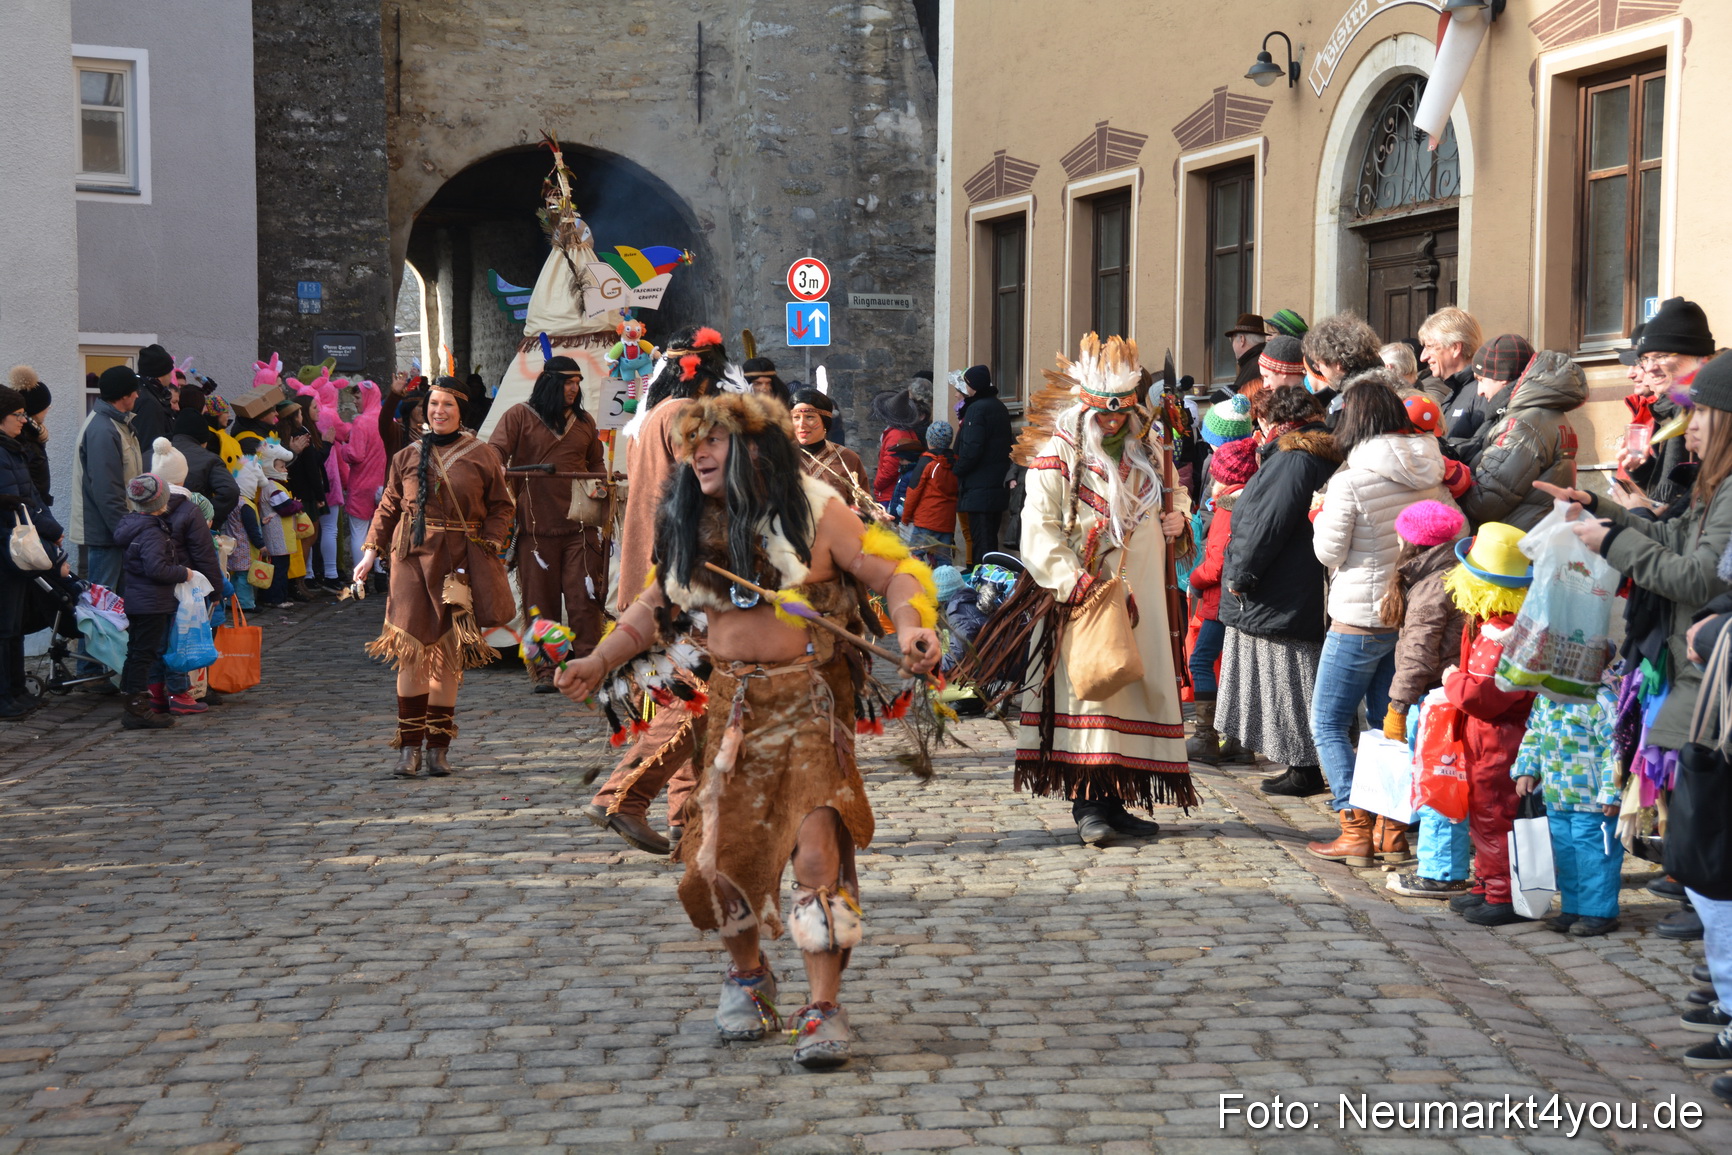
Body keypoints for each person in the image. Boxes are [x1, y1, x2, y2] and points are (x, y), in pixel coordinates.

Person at [555, 391, 941, 1068]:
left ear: (753, 447)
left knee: (818, 853)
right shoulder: (684, 520)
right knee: (717, 865)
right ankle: (748, 975)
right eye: (690, 442)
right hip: (733, 706)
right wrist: (597, 660)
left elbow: (895, 571)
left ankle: (824, 1004)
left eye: (714, 440)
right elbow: (652, 606)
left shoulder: (817, 510)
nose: (697, 452)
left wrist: (913, 626)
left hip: (811, 702)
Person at [1537, 357, 1732, 941]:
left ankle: (1717, 961)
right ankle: (1716, 967)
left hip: (1709, 677)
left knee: (1705, 836)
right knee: (1701, 835)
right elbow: (1675, 537)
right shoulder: (1714, 484)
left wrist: (1615, 541)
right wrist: (1604, 511)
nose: (1687, 426)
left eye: (1698, 415)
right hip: (1693, 675)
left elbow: (1699, 578)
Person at [1012, 334, 1194, 846]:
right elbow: (1037, 530)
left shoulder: (1150, 449)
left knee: (1137, 689)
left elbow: (1174, 494)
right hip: (1086, 597)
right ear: (1084, 408)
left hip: (1148, 601)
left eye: (1120, 415)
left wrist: (1180, 519)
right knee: (1093, 692)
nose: (1112, 423)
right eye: (1103, 416)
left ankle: (1118, 799)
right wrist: (1076, 582)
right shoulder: (1058, 456)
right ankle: (1088, 803)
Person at [586, 326, 733, 854]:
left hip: (667, 572)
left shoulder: (653, 417)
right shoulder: (681, 418)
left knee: (700, 695)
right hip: (683, 577)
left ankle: (681, 817)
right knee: (696, 693)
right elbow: (702, 497)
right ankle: (625, 796)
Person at [1306, 372, 1455, 863]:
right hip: (1407, 616)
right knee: (1386, 725)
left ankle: (1353, 824)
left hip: (1358, 617)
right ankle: (1390, 832)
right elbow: (1455, 531)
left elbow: (1329, 552)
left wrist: (1322, 512)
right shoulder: (1432, 469)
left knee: (1327, 720)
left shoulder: (1350, 480)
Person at [353, 379, 516, 778]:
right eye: (433, 404)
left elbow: (501, 506)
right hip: (410, 559)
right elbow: (390, 505)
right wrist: (370, 551)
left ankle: (438, 751)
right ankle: (408, 749)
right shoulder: (406, 455)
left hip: (459, 559)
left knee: (445, 657)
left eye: (446, 405)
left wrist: (491, 543)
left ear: (461, 412)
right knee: (411, 653)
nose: (438, 411)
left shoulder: (482, 455)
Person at [1218, 386, 1342, 797]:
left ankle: (1304, 767)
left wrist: (1240, 573)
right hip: (1296, 584)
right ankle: (1301, 764)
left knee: (1288, 679)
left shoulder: (1293, 459)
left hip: (1282, 587)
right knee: (1292, 679)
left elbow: (1265, 525)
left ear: (1275, 423)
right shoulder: (1315, 454)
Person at [1437, 524, 1538, 926]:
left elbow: (1484, 696)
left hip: (1498, 740)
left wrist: (1451, 682)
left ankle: (1503, 894)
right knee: (1485, 813)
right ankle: (1487, 883)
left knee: (1495, 814)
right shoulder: (1501, 627)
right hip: (1493, 737)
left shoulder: (1500, 635)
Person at [487, 356, 607, 688]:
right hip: (535, 531)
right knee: (540, 604)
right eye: (568, 383)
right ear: (551, 383)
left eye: (578, 382)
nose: (575, 389)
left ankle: (587, 666)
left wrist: (600, 483)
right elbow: (495, 450)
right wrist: (496, 466)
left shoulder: (584, 422)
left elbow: (597, 463)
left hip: (580, 528)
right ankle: (545, 670)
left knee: (585, 600)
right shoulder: (518, 416)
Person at [1379, 501, 1475, 900]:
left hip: (1437, 700)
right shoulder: (1451, 574)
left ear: (1411, 540)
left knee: (1440, 788)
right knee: (1449, 787)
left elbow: (1419, 652)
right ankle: (1445, 866)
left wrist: (1397, 706)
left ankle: (1441, 873)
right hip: (1450, 695)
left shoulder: (1434, 585)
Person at [1511, 674, 1624, 937]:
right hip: (1557, 797)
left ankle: (1598, 912)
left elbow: (1616, 747)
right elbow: (1534, 735)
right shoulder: (1546, 699)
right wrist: (1527, 769)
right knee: (1566, 855)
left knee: (1594, 855)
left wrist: (1611, 790)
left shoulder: (1599, 699)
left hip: (1593, 801)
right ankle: (1573, 908)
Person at [1184, 436, 1258, 764]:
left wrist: (1195, 581)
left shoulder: (1229, 507)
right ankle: (1239, 742)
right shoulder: (1250, 499)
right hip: (1235, 601)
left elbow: (1216, 565)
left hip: (1219, 602)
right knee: (1233, 666)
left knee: (1201, 661)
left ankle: (1206, 737)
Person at [1457, 348, 1586, 531]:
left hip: (1516, 540)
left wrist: (1456, 477)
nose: (1479, 391)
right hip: (1536, 531)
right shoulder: (1546, 415)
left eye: (1481, 380)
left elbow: (1486, 502)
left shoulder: (1524, 425)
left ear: (1501, 378)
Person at [0, 382, 67, 718]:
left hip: (14, 552)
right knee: (4, 628)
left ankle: (14, 690)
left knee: (13, 627)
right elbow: (18, 507)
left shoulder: (13, 448)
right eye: (17, 414)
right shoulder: (3, 453)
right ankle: (5, 696)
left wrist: (52, 532)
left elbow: (32, 499)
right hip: (6, 550)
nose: (23, 420)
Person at [114, 474, 200, 731]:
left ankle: (133, 701)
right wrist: (184, 573)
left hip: (139, 600)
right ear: (161, 502)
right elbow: (157, 569)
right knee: (144, 654)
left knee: (137, 652)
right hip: (151, 602)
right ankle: (137, 708)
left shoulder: (133, 525)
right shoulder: (151, 532)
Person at [1621, 297, 1714, 508]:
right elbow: (1671, 503)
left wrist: (1640, 513)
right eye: (1645, 359)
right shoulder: (1670, 411)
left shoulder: (1717, 412)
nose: (1650, 368)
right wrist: (1643, 469)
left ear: (1698, 358)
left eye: (1661, 356)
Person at [73, 366, 145, 599]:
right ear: (123, 395)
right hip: (108, 535)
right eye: (134, 391)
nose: (137, 395)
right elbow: (108, 491)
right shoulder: (104, 430)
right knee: (101, 608)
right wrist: (126, 533)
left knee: (109, 605)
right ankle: (91, 639)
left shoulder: (117, 424)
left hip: (115, 531)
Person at [952, 364, 1013, 566]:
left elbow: (972, 448)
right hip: (995, 485)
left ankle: (984, 586)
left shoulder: (977, 409)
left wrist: (957, 470)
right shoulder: (998, 406)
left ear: (973, 386)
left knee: (982, 543)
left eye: (966, 383)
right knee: (989, 539)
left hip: (979, 487)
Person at [339, 380, 389, 593]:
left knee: (359, 532)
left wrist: (343, 449)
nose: (355, 402)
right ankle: (380, 574)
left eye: (358, 398)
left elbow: (356, 454)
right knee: (380, 530)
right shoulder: (388, 420)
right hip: (383, 483)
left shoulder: (361, 422)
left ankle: (360, 580)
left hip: (362, 484)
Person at [789, 388, 871, 505]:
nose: (801, 424)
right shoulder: (780, 457)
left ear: (825, 421)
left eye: (810, 417)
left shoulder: (847, 459)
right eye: (796, 417)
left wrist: (874, 517)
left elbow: (862, 507)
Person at [168, 410, 240, 532]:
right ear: (203, 440)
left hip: (151, 533)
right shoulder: (209, 459)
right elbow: (230, 491)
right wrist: (206, 518)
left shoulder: (148, 455)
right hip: (190, 533)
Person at [899, 420, 959, 564]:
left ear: (929, 440)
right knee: (943, 561)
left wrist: (906, 516)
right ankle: (946, 585)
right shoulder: (955, 463)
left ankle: (915, 585)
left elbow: (914, 491)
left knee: (915, 557)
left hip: (926, 520)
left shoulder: (926, 462)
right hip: (946, 522)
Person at [1300, 312, 1382, 411]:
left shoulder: (1345, 406)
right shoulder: (1391, 387)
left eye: (1318, 365)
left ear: (1338, 364)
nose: (1319, 370)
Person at [1417, 306, 1484, 426]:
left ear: (1455, 348)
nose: (1423, 357)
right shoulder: (1454, 391)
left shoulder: (1482, 393)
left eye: (1430, 346)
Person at [869, 377, 931, 504]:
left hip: (890, 494)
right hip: (895, 491)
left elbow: (889, 468)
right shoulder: (903, 432)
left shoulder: (896, 434)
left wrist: (877, 485)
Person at [9, 367, 52, 507]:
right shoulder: (25, 439)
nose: (49, 408)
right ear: (34, 408)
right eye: (45, 405)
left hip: (37, 509)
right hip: (32, 511)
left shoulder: (34, 434)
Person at [132, 344, 178, 449]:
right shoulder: (149, 402)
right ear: (161, 373)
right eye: (169, 371)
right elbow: (149, 445)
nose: (171, 376)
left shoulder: (151, 393)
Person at [1224, 313, 1267, 394]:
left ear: (1242, 339)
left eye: (1232, 339)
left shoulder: (1255, 365)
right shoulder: (1265, 360)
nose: (1232, 345)